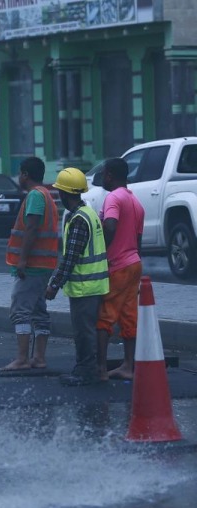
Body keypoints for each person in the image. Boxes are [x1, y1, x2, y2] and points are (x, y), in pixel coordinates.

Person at [46, 168, 110, 387]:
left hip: (86, 287)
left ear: (65, 194)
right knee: (86, 330)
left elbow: (70, 258)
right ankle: (86, 369)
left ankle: (85, 372)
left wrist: (54, 285)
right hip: (93, 285)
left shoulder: (79, 219)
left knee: (84, 332)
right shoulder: (88, 213)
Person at [0, 157, 60, 371]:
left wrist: (22, 260)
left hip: (33, 264)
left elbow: (32, 228)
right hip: (44, 263)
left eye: (20, 173)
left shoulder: (35, 196)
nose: (19, 177)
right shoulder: (46, 194)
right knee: (38, 311)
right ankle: (39, 358)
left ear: (25, 174)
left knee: (21, 309)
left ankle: (22, 359)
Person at [97, 158, 145, 381]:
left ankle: (100, 369)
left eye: (104, 174)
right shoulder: (135, 202)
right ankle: (128, 366)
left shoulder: (113, 198)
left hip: (117, 265)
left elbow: (111, 226)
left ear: (109, 175)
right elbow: (138, 238)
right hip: (134, 263)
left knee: (105, 317)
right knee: (128, 317)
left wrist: (101, 253)